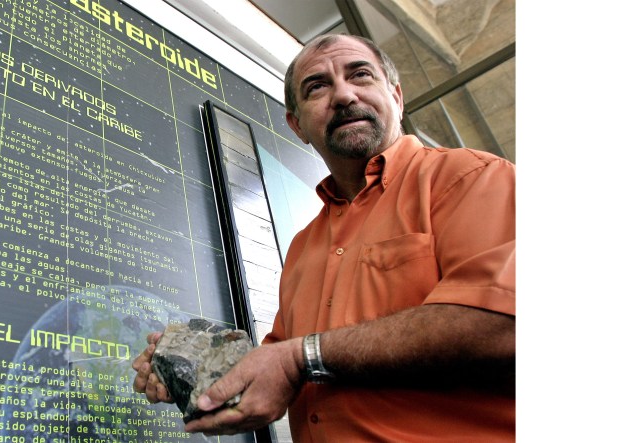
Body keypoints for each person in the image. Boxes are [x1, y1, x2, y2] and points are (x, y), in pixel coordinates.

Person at [132, 34, 515, 442]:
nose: (344, 96)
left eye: (361, 75)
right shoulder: (302, 247)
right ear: (297, 125)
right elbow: (275, 368)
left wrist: (302, 358)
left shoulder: (471, 177)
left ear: (397, 98)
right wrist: (196, 366)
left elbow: (506, 324)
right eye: (317, 87)